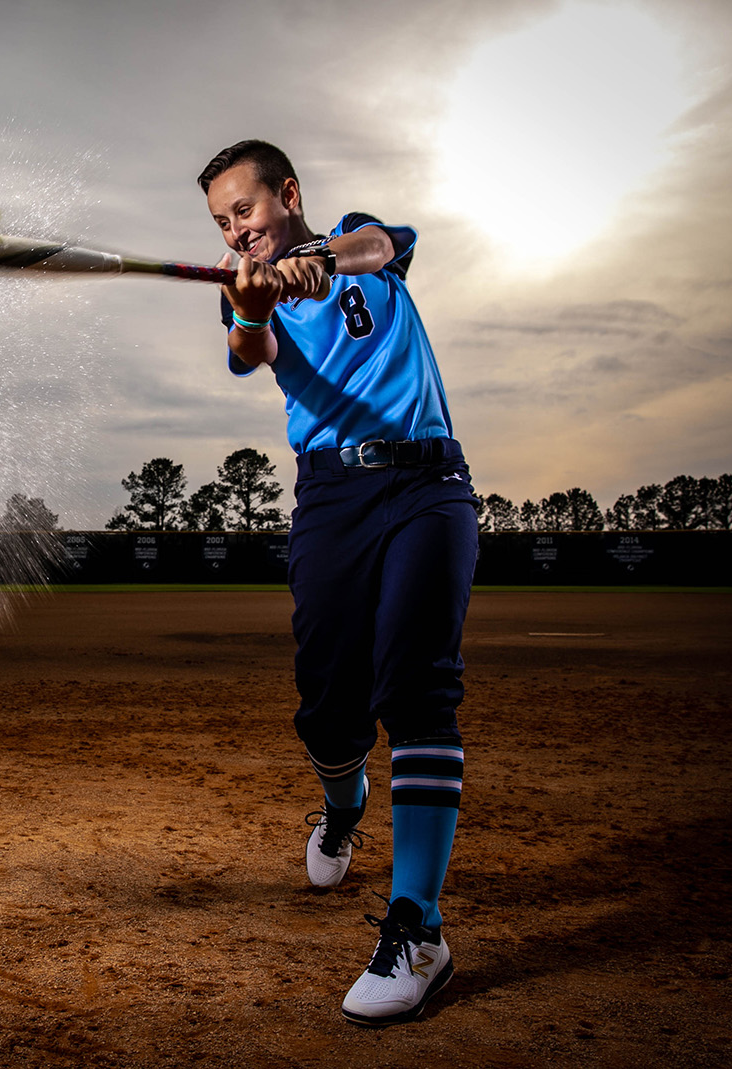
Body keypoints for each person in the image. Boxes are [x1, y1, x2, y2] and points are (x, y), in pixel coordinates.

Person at [198, 139, 478, 1027]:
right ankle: (342, 804)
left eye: (245, 212)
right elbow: (249, 352)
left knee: (417, 688)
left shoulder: (356, 238)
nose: (237, 232)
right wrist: (250, 305)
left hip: (429, 484)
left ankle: (418, 928)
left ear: (287, 195)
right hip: (330, 494)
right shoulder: (239, 285)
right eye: (220, 225)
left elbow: (378, 249)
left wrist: (311, 266)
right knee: (328, 706)